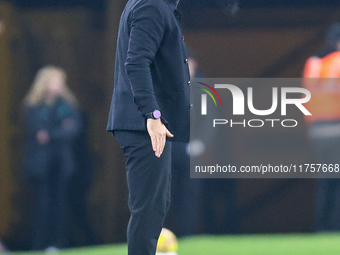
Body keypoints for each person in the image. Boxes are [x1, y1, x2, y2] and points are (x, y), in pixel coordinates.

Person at [106, 0, 190, 254]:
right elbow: (137, 63)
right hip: (144, 124)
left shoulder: (150, 4)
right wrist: (152, 114)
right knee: (148, 211)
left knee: (154, 207)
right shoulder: (151, 5)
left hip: (144, 123)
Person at [22, 66, 81, 250]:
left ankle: (58, 244)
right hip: (40, 165)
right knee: (43, 205)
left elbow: (73, 130)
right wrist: (59, 130)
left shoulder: (67, 105)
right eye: (56, 81)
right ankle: (40, 245)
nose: (60, 86)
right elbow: (37, 133)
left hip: (62, 163)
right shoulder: (33, 105)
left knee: (61, 204)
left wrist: (51, 134)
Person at [302, 23, 340, 231]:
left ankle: (322, 227)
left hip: (318, 129)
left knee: (326, 180)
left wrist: (311, 128)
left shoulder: (314, 63)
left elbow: (305, 99)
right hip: (337, 126)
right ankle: (335, 227)